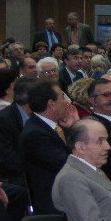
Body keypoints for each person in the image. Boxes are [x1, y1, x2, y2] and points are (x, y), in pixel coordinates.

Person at [19, 79, 80, 214]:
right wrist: (78, 128)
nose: (67, 102)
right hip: (58, 200)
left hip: (73, 189)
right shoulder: (35, 135)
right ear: (52, 104)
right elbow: (70, 164)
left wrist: (72, 128)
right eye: (63, 97)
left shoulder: (55, 126)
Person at [0, 76, 34, 186]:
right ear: (32, 99)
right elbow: (7, 158)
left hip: (26, 168)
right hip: (6, 176)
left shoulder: (35, 115)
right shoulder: (2, 121)